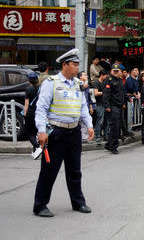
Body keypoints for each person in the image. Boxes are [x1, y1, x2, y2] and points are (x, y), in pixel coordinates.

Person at [33, 48, 94, 218]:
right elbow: (41, 109)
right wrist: (42, 131)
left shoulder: (78, 85)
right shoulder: (51, 83)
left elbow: (83, 108)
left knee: (75, 170)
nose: (77, 68)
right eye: (74, 64)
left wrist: (89, 125)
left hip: (74, 132)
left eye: (77, 64)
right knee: (49, 170)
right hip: (56, 133)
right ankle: (40, 205)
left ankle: (78, 202)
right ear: (64, 65)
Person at [103, 64, 126, 154]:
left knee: (117, 126)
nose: (116, 72)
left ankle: (109, 144)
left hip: (119, 106)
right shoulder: (108, 80)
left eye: (117, 71)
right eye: (114, 71)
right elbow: (106, 95)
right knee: (115, 128)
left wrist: (124, 101)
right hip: (113, 106)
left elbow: (122, 93)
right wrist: (107, 106)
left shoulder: (120, 80)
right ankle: (113, 147)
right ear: (111, 71)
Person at [24, 72, 41, 159]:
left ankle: (37, 146)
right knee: (34, 132)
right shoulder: (40, 88)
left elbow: (26, 104)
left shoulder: (28, 89)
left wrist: (25, 114)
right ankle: (35, 152)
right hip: (38, 112)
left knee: (28, 132)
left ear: (29, 80)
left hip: (30, 112)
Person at [77, 71, 95, 143]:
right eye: (84, 75)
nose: (86, 76)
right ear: (80, 77)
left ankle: (84, 138)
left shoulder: (87, 86)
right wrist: (82, 88)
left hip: (86, 107)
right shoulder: (76, 85)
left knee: (85, 123)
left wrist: (91, 107)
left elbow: (88, 98)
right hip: (77, 108)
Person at [93, 70, 109, 145]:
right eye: (106, 75)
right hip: (100, 104)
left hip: (107, 103)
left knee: (107, 121)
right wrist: (105, 92)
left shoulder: (106, 82)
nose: (107, 77)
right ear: (102, 75)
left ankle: (106, 136)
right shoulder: (97, 82)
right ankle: (97, 136)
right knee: (100, 120)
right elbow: (96, 93)